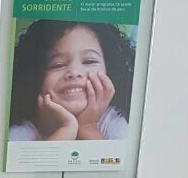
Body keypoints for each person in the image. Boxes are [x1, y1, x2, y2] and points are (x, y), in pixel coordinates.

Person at [7, 20, 135, 142]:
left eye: (89, 61)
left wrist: (88, 126)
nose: (74, 72)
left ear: (110, 70)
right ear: (35, 76)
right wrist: (66, 129)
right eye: (58, 64)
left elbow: (116, 159)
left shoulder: (114, 124)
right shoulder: (20, 134)